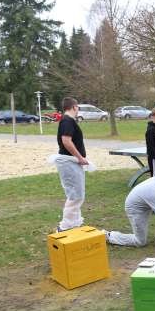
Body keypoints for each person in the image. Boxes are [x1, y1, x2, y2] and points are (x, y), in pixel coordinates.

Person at [54, 97, 89, 232]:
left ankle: (74, 223)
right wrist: (79, 157)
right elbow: (66, 141)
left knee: (77, 193)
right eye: (78, 107)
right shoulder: (67, 121)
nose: (78, 109)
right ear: (74, 107)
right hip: (69, 162)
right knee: (76, 195)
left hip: (71, 162)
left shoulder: (67, 121)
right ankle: (65, 226)